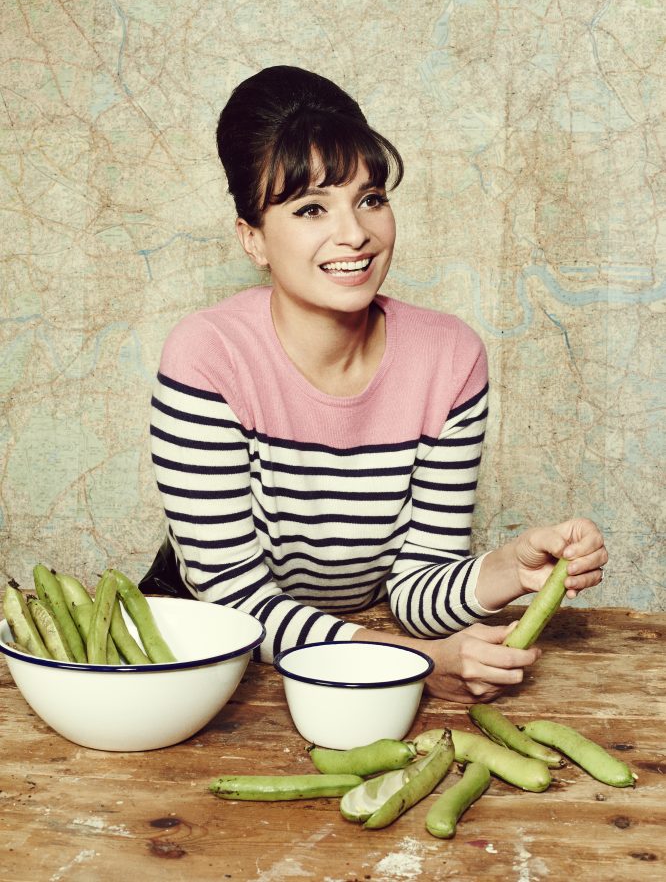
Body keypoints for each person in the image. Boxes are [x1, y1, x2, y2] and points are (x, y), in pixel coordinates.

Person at [141, 65, 607, 702]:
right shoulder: (207, 356)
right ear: (253, 239)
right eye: (311, 208)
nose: (355, 234)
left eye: (371, 199)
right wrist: (412, 662)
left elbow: (415, 591)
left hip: (365, 635)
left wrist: (512, 569)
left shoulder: (450, 358)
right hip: (206, 653)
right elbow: (234, 598)